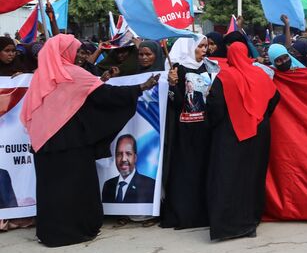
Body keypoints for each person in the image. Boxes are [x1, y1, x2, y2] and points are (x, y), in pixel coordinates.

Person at [24, 34, 158, 247]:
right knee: (76, 188)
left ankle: (51, 233)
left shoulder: (42, 76)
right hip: (72, 144)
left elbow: (34, 111)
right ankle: (75, 231)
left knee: (52, 190)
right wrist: (139, 88)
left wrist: (100, 81)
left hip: (45, 145)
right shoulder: (73, 74)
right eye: (75, 51)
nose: (79, 56)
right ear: (63, 52)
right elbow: (105, 96)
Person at [206, 42, 279, 241]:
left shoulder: (225, 77)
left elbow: (215, 106)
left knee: (229, 178)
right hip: (260, 134)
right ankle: (252, 219)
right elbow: (274, 98)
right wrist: (261, 116)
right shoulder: (261, 75)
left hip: (231, 134)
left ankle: (230, 226)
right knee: (253, 176)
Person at [160, 34, 218, 230]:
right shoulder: (178, 68)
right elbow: (175, 102)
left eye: (206, 46)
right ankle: (183, 214)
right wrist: (172, 84)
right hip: (184, 130)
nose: (205, 50)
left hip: (205, 128)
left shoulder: (209, 66)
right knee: (185, 171)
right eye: (200, 46)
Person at [101, 134, 156, 203]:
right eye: (119, 154)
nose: (123, 159)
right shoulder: (108, 185)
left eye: (128, 154)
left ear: (135, 158)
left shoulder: (150, 185)